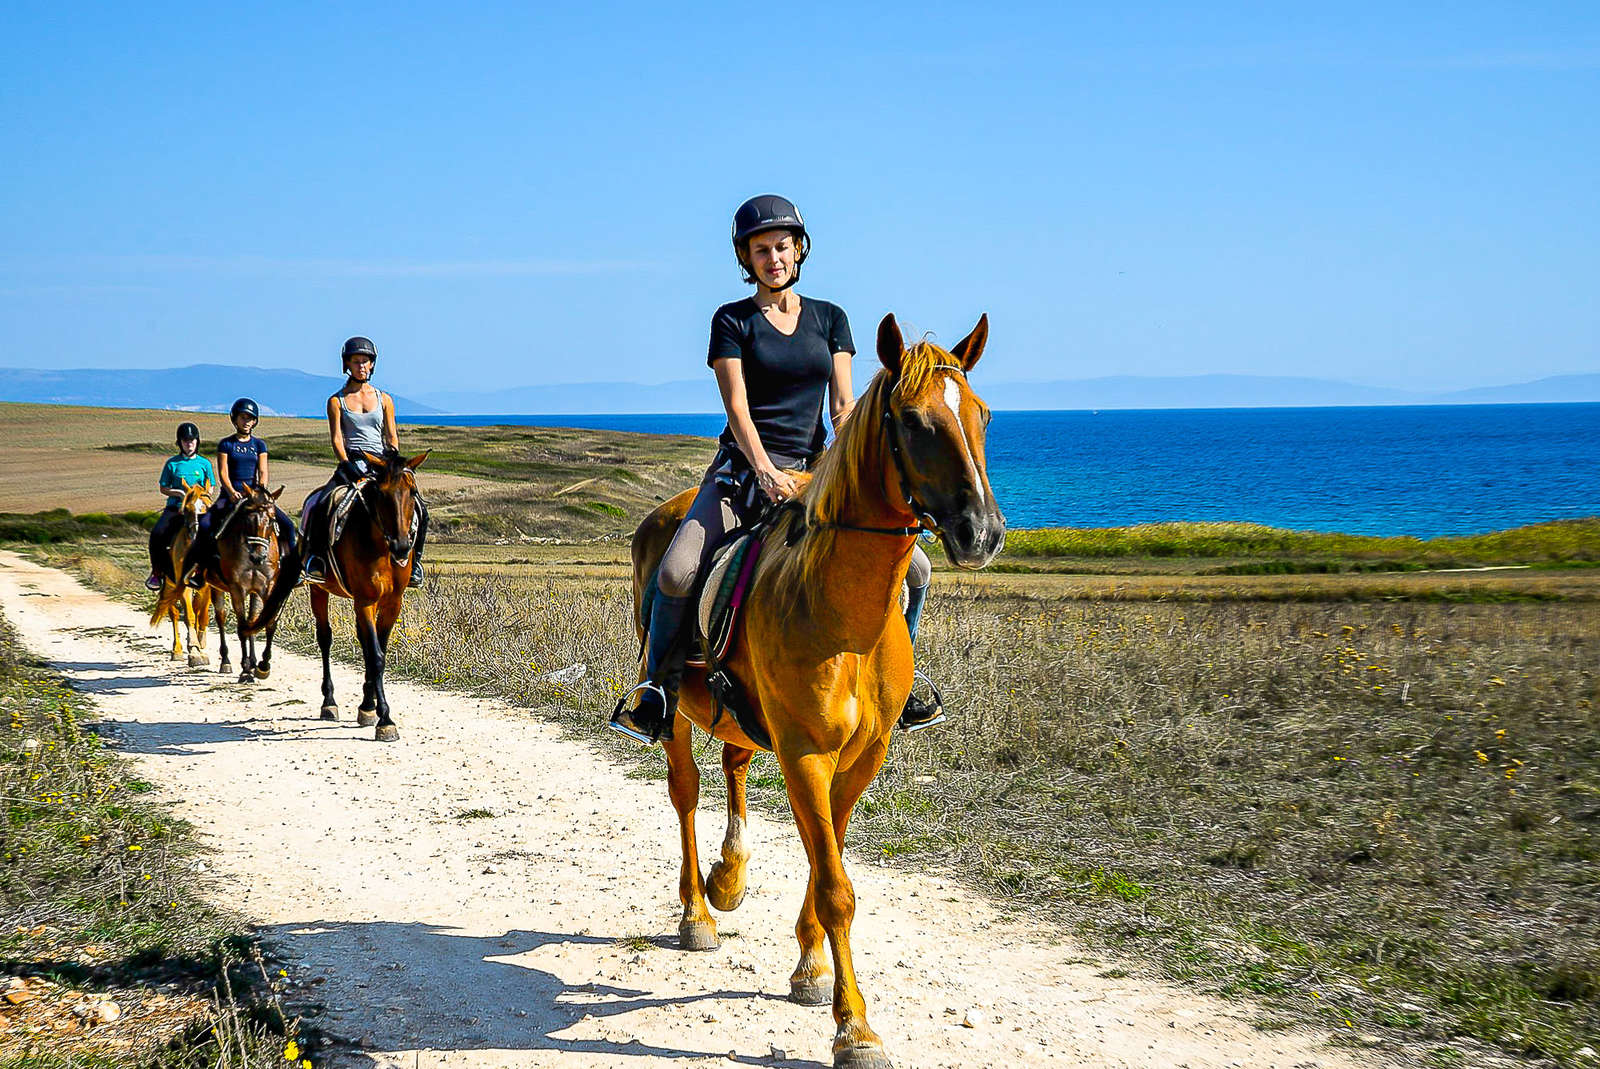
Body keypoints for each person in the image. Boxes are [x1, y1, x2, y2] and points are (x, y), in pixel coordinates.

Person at [609, 194, 940, 745]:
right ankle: (657, 692)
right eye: (760, 250)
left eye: (782, 247)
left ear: (799, 249)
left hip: (816, 475)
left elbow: (843, 409)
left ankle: (901, 685)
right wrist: (763, 469)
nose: (773, 258)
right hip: (742, 472)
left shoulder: (831, 319)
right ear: (747, 259)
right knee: (676, 570)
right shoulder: (731, 321)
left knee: (917, 570)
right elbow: (737, 407)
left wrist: (845, 469)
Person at [299, 336, 428, 587]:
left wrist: (391, 463)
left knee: (420, 508)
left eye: (366, 362)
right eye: (356, 361)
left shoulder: (385, 400)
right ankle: (316, 560)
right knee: (322, 503)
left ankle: (416, 563)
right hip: (352, 463)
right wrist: (345, 462)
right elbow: (337, 438)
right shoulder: (336, 401)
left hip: (382, 464)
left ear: (372, 365)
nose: (361, 366)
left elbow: (391, 436)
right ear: (347, 364)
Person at [181, 397, 297, 585]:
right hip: (231, 496)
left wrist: (260, 491)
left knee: (288, 525)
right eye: (243, 418)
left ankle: (292, 568)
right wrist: (231, 491)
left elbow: (263, 471)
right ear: (235, 419)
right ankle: (199, 569)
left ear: (255, 421)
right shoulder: (226, 444)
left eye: (250, 418)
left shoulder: (259, 445)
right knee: (205, 525)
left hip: (254, 496)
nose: (247, 422)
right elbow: (223, 472)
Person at [144, 422, 216, 591]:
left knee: (213, 533)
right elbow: (163, 487)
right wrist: (180, 494)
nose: (189, 443)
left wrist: (200, 496)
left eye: (192, 440)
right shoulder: (172, 464)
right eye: (185, 441)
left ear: (197, 442)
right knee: (157, 534)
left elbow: (211, 487)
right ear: (180, 443)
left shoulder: (204, 464)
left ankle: (208, 570)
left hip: (198, 508)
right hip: (176, 507)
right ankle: (156, 573)